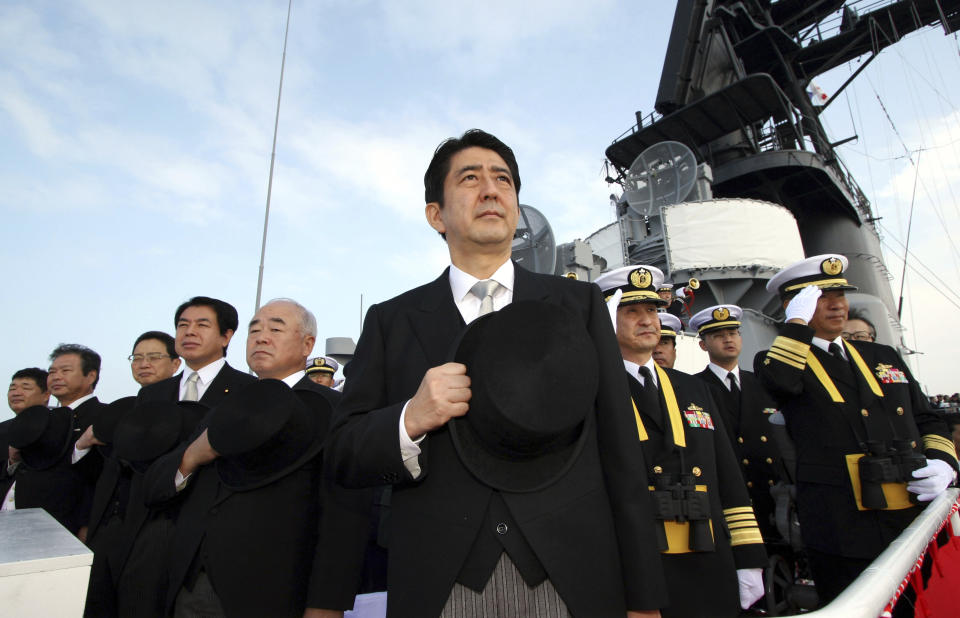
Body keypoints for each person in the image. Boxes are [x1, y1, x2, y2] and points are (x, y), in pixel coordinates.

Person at [326, 129, 667, 618]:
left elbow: (619, 452)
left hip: (574, 578)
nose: (490, 190)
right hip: (441, 582)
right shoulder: (391, 320)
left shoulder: (579, 306)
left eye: (503, 179)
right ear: (436, 214)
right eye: (469, 178)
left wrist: (643, 596)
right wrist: (409, 418)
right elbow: (343, 453)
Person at [144, 299, 367, 618]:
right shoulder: (224, 408)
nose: (261, 337)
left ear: (307, 344)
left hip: (277, 591)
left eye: (275, 328)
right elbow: (154, 487)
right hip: (194, 586)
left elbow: (345, 516)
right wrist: (192, 456)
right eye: (254, 330)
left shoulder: (333, 410)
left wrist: (326, 604)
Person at [756, 253, 958, 605]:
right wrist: (797, 324)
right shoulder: (781, 359)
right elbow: (781, 382)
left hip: (910, 512)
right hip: (842, 528)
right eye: (822, 298)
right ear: (795, 306)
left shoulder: (883, 357)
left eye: (841, 296)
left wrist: (944, 461)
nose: (836, 305)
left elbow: (927, 418)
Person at [596, 266, 767, 617]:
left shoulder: (693, 388)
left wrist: (748, 555)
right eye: (631, 312)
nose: (647, 321)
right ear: (608, 319)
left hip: (708, 556)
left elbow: (728, 477)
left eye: (652, 311)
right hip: (638, 565)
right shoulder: (593, 390)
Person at [689, 305, 788, 541]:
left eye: (732, 333)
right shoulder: (693, 389)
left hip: (773, 494)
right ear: (703, 344)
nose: (728, 340)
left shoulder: (763, 385)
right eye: (718, 335)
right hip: (732, 498)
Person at [136, 297, 256, 405]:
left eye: (202, 325)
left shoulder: (250, 390)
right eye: (183, 325)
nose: (189, 332)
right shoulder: (150, 395)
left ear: (226, 336)